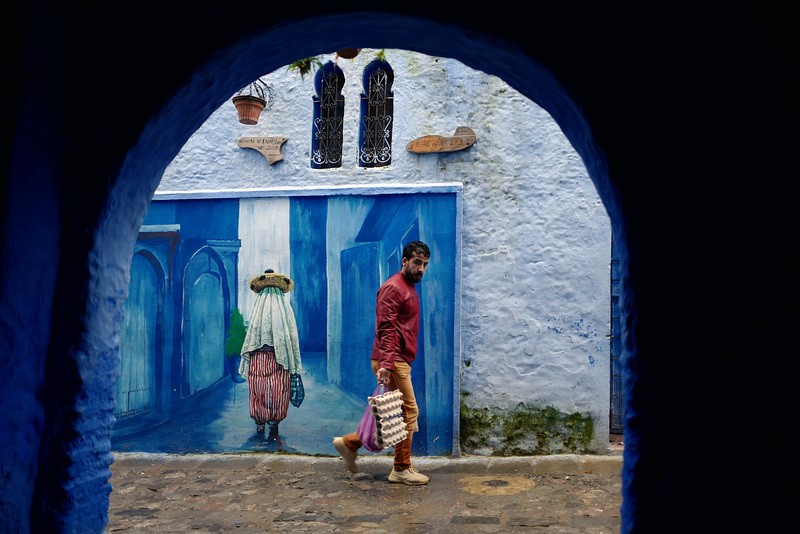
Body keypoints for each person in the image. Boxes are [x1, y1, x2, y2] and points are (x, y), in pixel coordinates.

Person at [333, 241, 431, 485]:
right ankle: (400, 468)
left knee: (392, 414)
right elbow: (386, 327)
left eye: (425, 265)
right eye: (417, 263)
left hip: (398, 358)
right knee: (410, 411)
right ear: (404, 261)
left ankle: (349, 443)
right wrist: (387, 363)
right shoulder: (393, 288)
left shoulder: (407, 286)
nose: (421, 269)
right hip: (392, 358)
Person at [239, 269, 303, 438]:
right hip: (278, 357)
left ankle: (260, 423)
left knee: (259, 390)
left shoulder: (258, 309)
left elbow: (252, 336)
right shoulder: (284, 309)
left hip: (259, 357)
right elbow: (291, 337)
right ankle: (273, 424)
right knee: (278, 390)